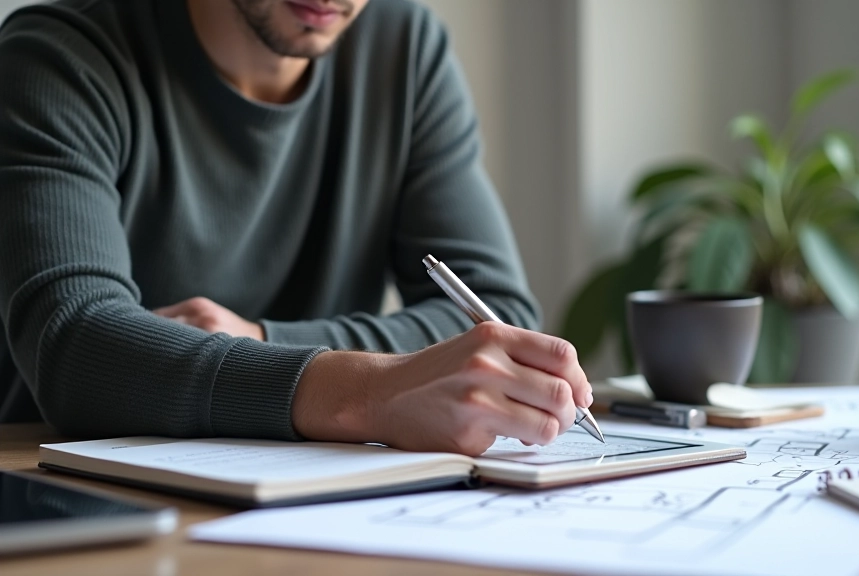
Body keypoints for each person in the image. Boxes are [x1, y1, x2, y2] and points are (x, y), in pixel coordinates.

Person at [0, 0, 592, 456]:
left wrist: (261, 341)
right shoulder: (59, 58)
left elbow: (492, 314)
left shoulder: (402, 48)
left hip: (311, 496)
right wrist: (365, 394)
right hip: (72, 490)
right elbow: (75, 344)